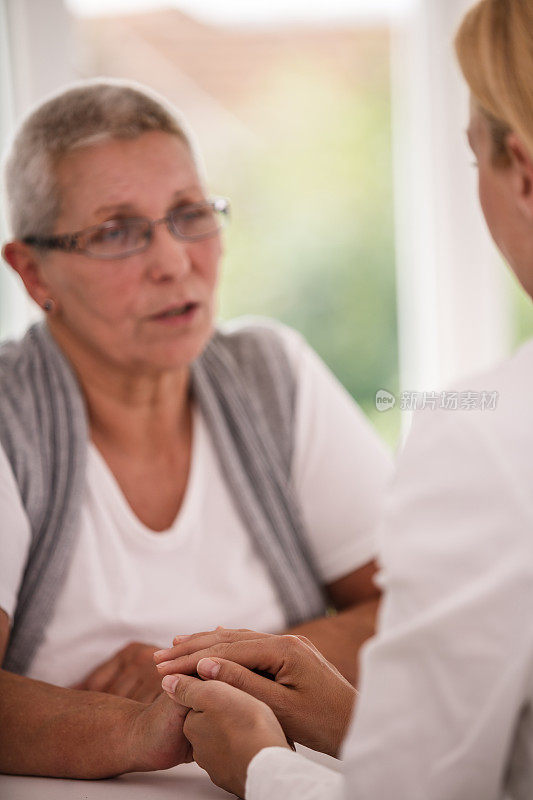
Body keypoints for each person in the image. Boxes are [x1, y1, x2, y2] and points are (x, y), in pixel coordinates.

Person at [156, 1, 533, 797]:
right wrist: (350, 716)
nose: (169, 262)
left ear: (521, 172)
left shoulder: (485, 434)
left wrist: (260, 766)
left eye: (191, 217)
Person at [0, 79, 392, 778]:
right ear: (33, 273)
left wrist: (217, 670)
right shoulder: (9, 413)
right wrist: (140, 726)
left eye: (189, 214)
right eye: (116, 232)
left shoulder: (273, 374)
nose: (175, 262)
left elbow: (409, 609)